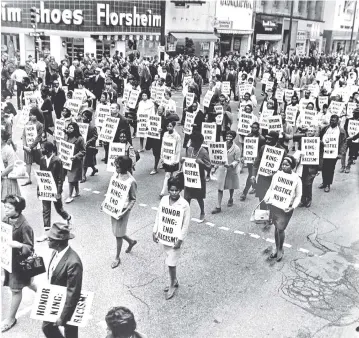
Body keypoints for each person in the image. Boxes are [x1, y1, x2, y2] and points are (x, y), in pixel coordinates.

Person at [1, 195, 37, 333]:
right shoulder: (6, 219)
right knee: (27, 282)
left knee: (16, 290)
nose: (5, 210)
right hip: (9, 260)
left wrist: (19, 245)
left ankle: (11, 319)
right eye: (5, 207)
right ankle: (43, 292)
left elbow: (29, 247)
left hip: (19, 263)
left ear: (18, 209)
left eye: (9, 208)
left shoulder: (25, 226)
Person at [42, 222, 83, 338]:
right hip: (56, 298)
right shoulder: (55, 252)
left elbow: (73, 293)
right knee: (47, 328)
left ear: (58, 243)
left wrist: (63, 317)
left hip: (68, 305)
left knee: (70, 333)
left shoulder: (73, 262)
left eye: (50, 239)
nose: (47, 240)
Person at [153, 176, 190, 300]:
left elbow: (185, 224)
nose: (174, 193)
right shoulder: (164, 200)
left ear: (180, 190)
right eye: (172, 190)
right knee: (169, 259)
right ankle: (174, 280)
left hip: (175, 239)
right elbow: (159, 215)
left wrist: (180, 240)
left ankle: (172, 284)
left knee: (171, 262)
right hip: (165, 236)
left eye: (176, 190)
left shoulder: (184, 205)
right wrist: (155, 230)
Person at [264, 156, 302, 262]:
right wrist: (266, 199)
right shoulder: (277, 175)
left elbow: (298, 196)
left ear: (292, 166)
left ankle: (280, 249)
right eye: (283, 164)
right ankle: (277, 248)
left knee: (281, 229)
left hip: (286, 208)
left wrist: (293, 207)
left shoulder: (296, 179)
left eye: (287, 165)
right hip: (275, 205)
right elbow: (271, 189)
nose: (284, 167)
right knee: (276, 227)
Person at [102, 155, 137, 269]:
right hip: (114, 207)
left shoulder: (131, 181)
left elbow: (133, 199)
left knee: (118, 234)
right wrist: (105, 203)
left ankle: (117, 257)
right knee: (117, 232)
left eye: (118, 166)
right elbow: (111, 191)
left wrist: (125, 212)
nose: (115, 168)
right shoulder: (115, 175)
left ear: (124, 167)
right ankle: (131, 241)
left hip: (123, 211)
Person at [36, 141, 72, 242]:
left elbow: (61, 177)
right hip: (46, 190)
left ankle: (68, 217)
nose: (41, 150)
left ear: (49, 150)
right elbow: (41, 175)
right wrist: (39, 189)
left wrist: (59, 192)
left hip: (55, 189)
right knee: (46, 211)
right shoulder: (42, 159)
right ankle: (46, 233)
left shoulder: (57, 160)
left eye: (43, 148)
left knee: (59, 209)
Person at [252, 131, 286, 221]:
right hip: (263, 177)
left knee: (273, 198)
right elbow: (256, 163)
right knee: (262, 197)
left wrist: (278, 172)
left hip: (274, 179)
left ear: (276, 140)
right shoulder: (263, 148)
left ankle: (272, 215)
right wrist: (253, 175)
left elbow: (285, 166)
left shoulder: (282, 151)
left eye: (269, 139)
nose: (267, 141)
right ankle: (263, 216)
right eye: (266, 138)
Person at [182, 132, 211, 223]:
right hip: (189, 176)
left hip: (199, 177)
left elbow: (209, 166)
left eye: (192, 141)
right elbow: (187, 161)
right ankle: (185, 214)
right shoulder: (189, 149)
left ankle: (202, 212)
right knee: (187, 197)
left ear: (198, 142)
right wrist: (182, 161)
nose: (190, 142)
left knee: (199, 197)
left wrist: (202, 163)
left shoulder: (204, 152)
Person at [212, 130, 241, 214]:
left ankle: (231, 198)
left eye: (230, 136)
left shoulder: (236, 148)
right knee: (220, 188)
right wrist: (215, 167)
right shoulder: (221, 146)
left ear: (233, 138)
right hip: (222, 169)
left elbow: (237, 160)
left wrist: (231, 165)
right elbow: (217, 158)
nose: (228, 138)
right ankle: (218, 206)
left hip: (231, 170)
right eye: (227, 136)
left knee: (231, 186)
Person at [319, 114, 346, 192]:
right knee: (323, 167)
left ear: (337, 121)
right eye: (331, 120)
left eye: (334, 120)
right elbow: (320, 138)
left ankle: (328, 184)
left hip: (334, 153)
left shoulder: (341, 131)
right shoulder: (325, 129)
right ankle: (324, 182)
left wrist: (341, 153)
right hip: (324, 152)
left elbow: (344, 143)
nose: (332, 122)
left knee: (330, 168)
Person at [240, 122, 265, 201]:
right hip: (249, 159)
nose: (254, 129)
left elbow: (263, 150)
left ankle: (244, 192)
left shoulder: (262, 138)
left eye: (255, 128)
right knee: (251, 173)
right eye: (253, 127)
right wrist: (242, 156)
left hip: (257, 160)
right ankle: (255, 187)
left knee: (251, 175)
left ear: (258, 128)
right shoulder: (248, 136)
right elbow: (245, 147)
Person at [22, 107, 44, 186]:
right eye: (31, 115)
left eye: (34, 115)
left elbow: (38, 137)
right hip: (27, 147)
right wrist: (24, 146)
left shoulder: (40, 125)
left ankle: (42, 178)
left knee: (40, 162)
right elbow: (23, 135)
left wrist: (31, 147)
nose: (32, 116)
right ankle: (28, 179)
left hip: (36, 147)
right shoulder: (27, 124)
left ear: (37, 115)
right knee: (28, 163)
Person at [64, 122, 86, 203]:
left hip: (76, 162)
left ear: (75, 129)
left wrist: (76, 156)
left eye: (71, 128)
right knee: (74, 178)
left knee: (71, 179)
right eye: (68, 127)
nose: (69, 129)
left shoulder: (80, 139)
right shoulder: (66, 137)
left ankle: (70, 196)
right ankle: (76, 192)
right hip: (68, 161)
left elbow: (83, 151)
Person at [160, 121, 181, 197]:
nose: (169, 128)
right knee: (167, 174)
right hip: (167, 158)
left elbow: (178, 149)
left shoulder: (177, 136)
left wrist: (175, 160)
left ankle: (173, 190)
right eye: (168, 126)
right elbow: (163, 146)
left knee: (172, 176)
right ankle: (163, 191)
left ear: (173, 127)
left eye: (170, 126)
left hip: (174, 159)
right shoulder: (165, 134)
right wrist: (162, 156)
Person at [1, 130, 21, 200]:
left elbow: (11, 166)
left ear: (3, 140)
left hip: (7, 179)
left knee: (10, 200)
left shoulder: (8, 150)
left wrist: (1, 175)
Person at [81, 110, 98, 182]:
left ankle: (83, 175)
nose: (82, 118)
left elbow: (95, 136)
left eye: (84, 117)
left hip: (89, 146)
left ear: (88, 118)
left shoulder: (92, 127)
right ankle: (94, 169)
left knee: (85, 161)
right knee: (88, 160)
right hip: (82, 145)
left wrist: (88, 142)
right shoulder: (81, 126)